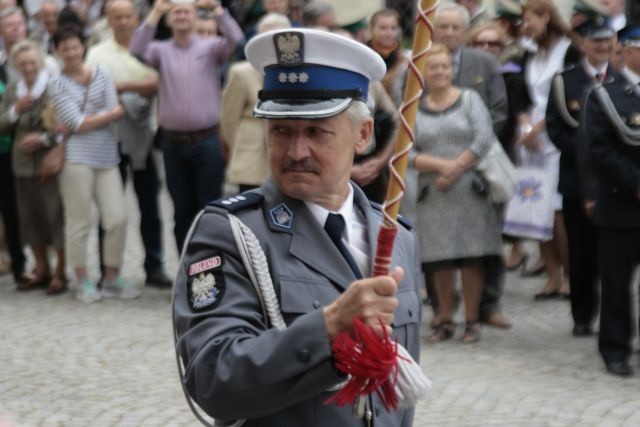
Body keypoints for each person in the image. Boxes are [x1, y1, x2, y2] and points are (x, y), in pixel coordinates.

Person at [173, 28, 422, 425]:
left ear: (363, 134)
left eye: (316, 131)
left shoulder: (397, 237)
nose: (296, 151)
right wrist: (329, 326)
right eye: (281, 131)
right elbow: (211, 380)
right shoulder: (232, 233)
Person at [130, 0, 244, 251]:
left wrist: (217, 9)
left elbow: (237, 41)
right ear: (170, 20)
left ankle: (213, 270)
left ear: (195, 18)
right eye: (176, 12)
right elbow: (136, 49)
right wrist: (156, 11)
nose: (181, 16)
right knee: (181, 212)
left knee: (212, 210)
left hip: (207, 141)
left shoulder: (211, 46)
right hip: (173, 144)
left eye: (187, 12)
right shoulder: (160, 50)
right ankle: (186, 269)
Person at [412, 43, 502, 344]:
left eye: (444, 66)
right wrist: (442, 167)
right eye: (433, 66)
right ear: (423, 72)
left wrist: (455, 169)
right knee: (440, 260)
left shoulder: (469, 99)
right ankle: (445, 318)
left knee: (471, 258)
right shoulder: (415, 107)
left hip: (469, 190)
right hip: (433, 193)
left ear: (452, 69)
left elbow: (483, 137)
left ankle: (472, 320)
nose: (439, 71)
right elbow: (408, 153)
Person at [432, 2, 509, 329]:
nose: (449, 33)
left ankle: (488, 306)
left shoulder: (485, 62)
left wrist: (467, 156)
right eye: (443, 27)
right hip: (435, 172)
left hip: (477, 166)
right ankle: (443, 309)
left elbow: (499, 110)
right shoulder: (423, 62)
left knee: (484, 241)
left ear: (465, 31)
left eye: (455, 27)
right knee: (437, 244)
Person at [86, 0, 173, 288]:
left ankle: (155, 265)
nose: (123, 22)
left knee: (150, 207)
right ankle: (106, 268)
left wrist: (122, 87)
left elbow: (160, 84)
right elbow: (94, 91)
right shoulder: (97, 54)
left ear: (136, 18)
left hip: (146, 139)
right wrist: (140, 86)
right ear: (108, 20)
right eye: (117, 17)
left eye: (127, 16)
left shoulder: (154, 49)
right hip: (110, 139)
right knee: (110, 209)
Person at [49, 24, 133, 303]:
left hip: (107, 156)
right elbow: (77, 123)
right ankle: (82, 280)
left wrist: (93, 119)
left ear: (82, 46)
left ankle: (112, 277)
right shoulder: (57, 84)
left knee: (117, 218)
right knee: (79, 222)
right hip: (76, 158)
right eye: (65, 49)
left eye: (74, 46)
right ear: (58, 52)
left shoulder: (103, 73)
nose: (71, 52)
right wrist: (104, 116)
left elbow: (113, 112)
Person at [546, 17, 617, 337]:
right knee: (581, 251)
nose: (603, 46)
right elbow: (556, 127)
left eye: (608, 41)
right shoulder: (566, 81)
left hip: (615, 180)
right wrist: (587, 151)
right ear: (583, 44)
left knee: (614, 254)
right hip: (577, 178)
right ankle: (583, 315)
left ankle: (615, 318)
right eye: (596, 41)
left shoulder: (622, 78)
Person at [583, 23, 640, 377]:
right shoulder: (605, 94)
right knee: (617, 285)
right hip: (623, 204)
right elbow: (599, 150)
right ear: (630, 51)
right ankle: (616, 349)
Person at [517, 0, 573, 300]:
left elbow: (567, 96)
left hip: (556, 140)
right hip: (532, 142)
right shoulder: (531, 52)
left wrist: (541, 127)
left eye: (530, 20)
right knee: (537, 209)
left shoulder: (567, 49)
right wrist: (525, 123)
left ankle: (569, 275)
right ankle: (551, 274)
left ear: (546, 17)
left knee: (557, 212)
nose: (525, 26)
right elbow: (525, 97)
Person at [0, 40, 66, 294]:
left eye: (32, 62)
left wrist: (43, 139)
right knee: (30, 219)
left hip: (48, 161)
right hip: (21, 164)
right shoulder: (14, 89)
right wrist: (15, 110)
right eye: (23, 63)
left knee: (54, 217)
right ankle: (42, 268)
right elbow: (2, 122)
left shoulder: (53, 86)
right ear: (16, 66)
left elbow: (64, 125)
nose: (28, 67)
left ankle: (60, 271)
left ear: (40, 62)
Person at [221, 12, 290, 192]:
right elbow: (229, 119)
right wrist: (242, 147)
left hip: (290, 158)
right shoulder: (241, 72)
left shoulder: (299, 73)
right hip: (253, 160)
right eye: (266, 39)